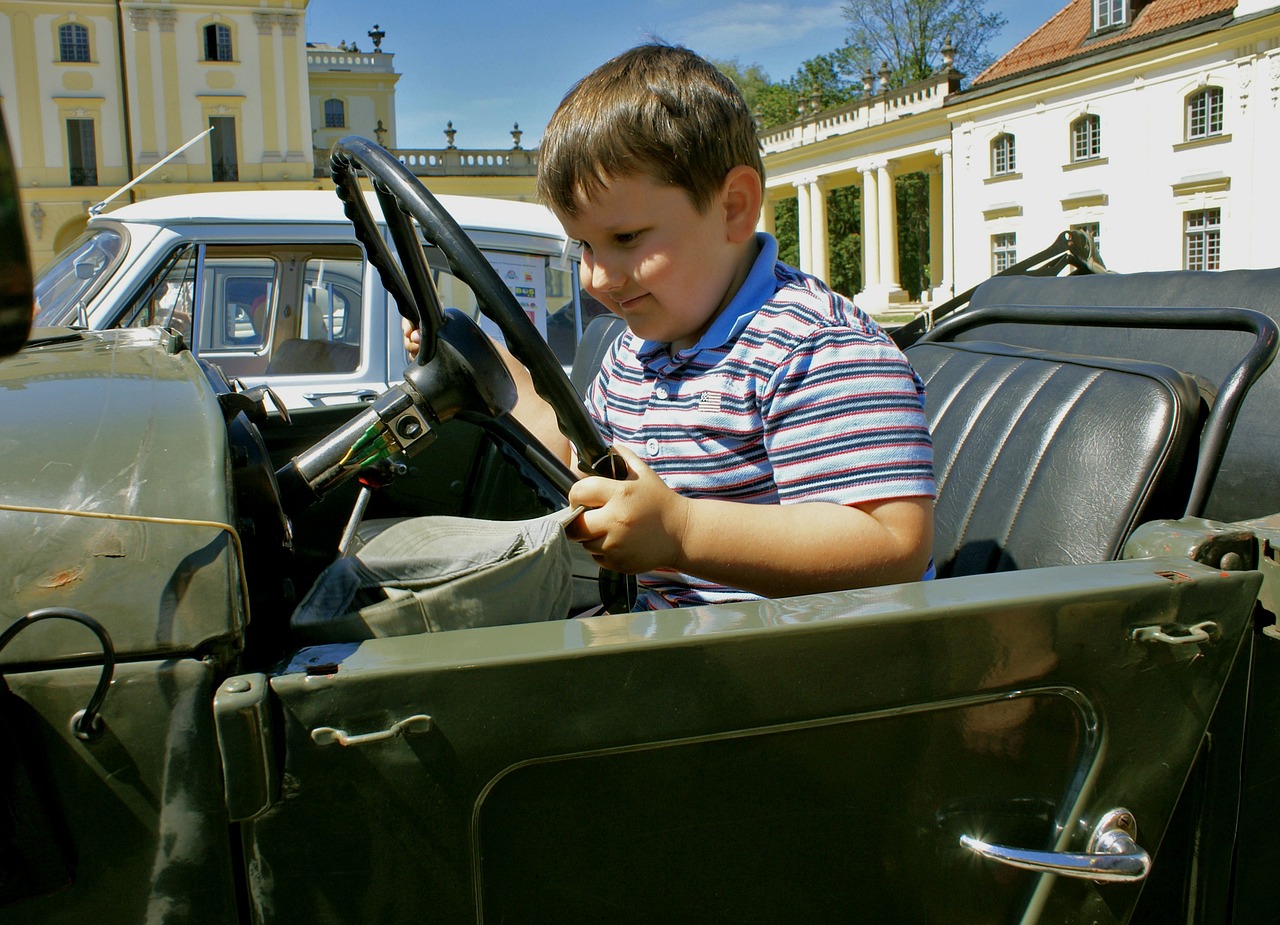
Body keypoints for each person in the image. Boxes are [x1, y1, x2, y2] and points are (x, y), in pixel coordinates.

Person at [410, 43, 936, 610]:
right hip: (656, 634)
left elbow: (892, 546)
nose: (596, 278)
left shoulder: (814, 348)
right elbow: (582, 461)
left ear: (734, 207)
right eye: (584, 244)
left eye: (627, 239)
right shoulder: (637, 349)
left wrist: (682, 531)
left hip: (790, 670)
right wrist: (499, 376)